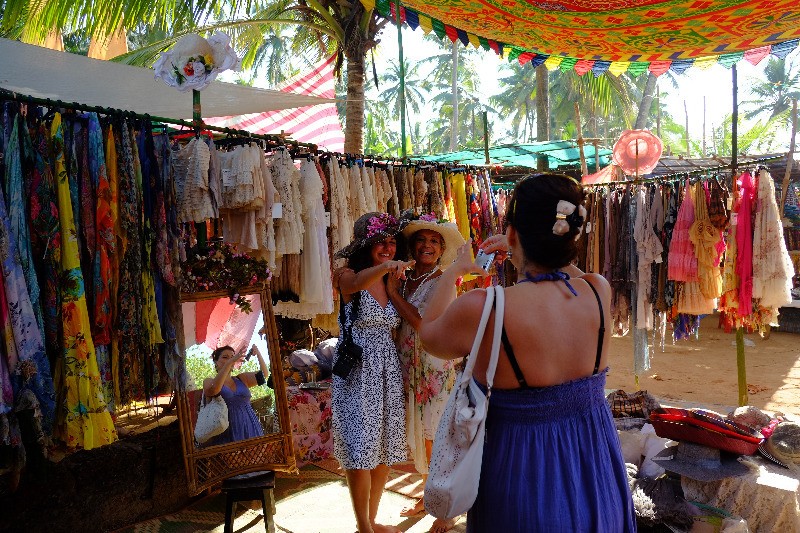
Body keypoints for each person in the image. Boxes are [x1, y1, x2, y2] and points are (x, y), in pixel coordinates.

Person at [419, 174, 636, 532]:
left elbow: (429, 335)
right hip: (597, 468)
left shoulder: (485, 308)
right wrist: (530, 245)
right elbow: (567, 271)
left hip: (524, 473)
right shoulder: (598, 291)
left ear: (514, 235)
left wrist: (453, 272)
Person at [332, 212, 414, 533]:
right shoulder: (348, 274)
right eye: (381, 242)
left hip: (387, 369)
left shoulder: (391, 281)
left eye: (392, 243)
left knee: (382, 450)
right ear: (366, 245)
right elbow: (355, 285)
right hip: (357, 371)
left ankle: (372, 519)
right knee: (359, 449)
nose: (388, 248)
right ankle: (363, 526)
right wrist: (386, 267)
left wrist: (392, 281)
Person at [386, 214, 465, 533]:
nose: (427, 245)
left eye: (434, 240)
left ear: (441, 249)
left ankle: (448, 510)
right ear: (412, 246)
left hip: (433, 368)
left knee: (436, 437)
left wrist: (393, 295)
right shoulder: (407, 279)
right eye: (421, 239)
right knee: (421, 436)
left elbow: (421, 322)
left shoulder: (441, 281)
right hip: (410, 364)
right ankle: (428, 496)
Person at [202, 344, 269, 446]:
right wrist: (229, 363)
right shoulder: (209, 381)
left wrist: (258, 352)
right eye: (225, 357)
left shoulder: (241, 378)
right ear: (215, 361)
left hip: (250, 425)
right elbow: (214, 390)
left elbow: (264, 375)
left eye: (232, 357)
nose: (230, 360)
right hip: (226, 432)